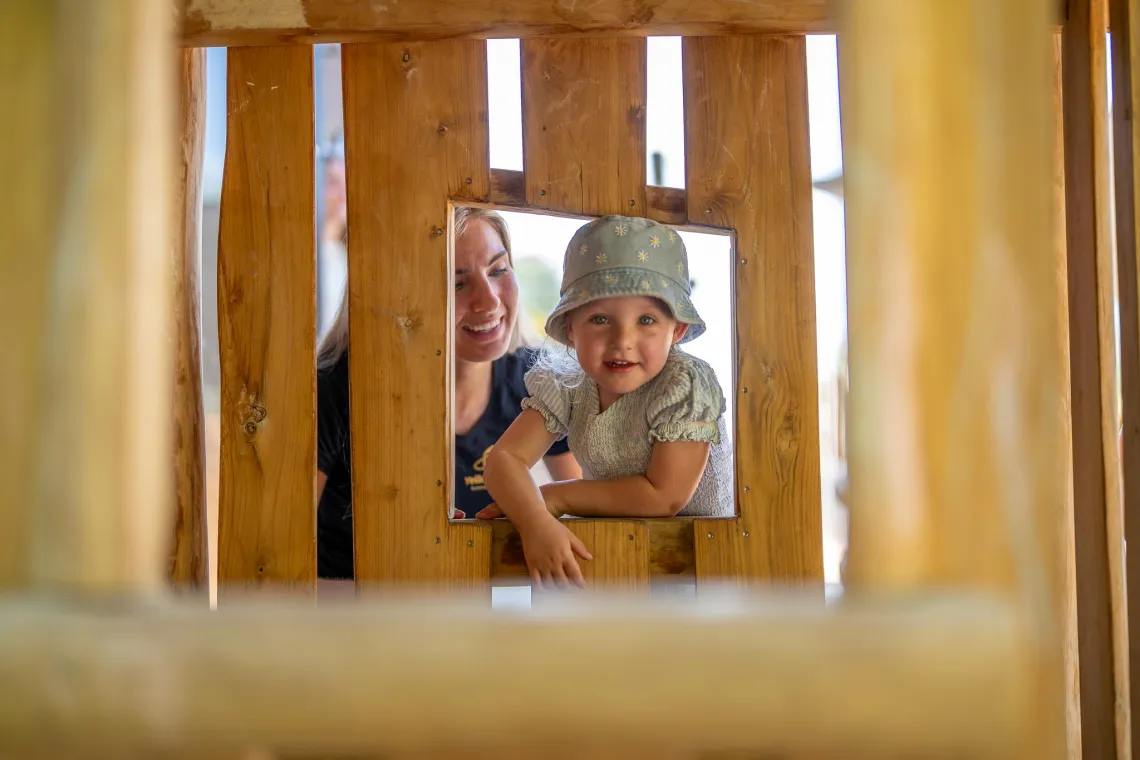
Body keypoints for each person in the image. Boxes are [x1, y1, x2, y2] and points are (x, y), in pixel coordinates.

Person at [315, 207, 581, 580]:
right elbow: (279, 556)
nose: (488, 301)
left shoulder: (540, 380)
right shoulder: (334, 389)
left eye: (498, 270)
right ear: (397, 297)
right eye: (456, 283)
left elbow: (587, 515)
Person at [478, 215, 733, 589]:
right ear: (570, 329)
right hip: (617, 558)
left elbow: (663, 497)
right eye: (599, 318)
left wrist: (554, 497)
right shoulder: (566, 381)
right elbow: (505, 459)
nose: (622, 340)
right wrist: (533, 519)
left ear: (676, 329)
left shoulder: (684, 383)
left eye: (646, 320)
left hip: (700, 568)